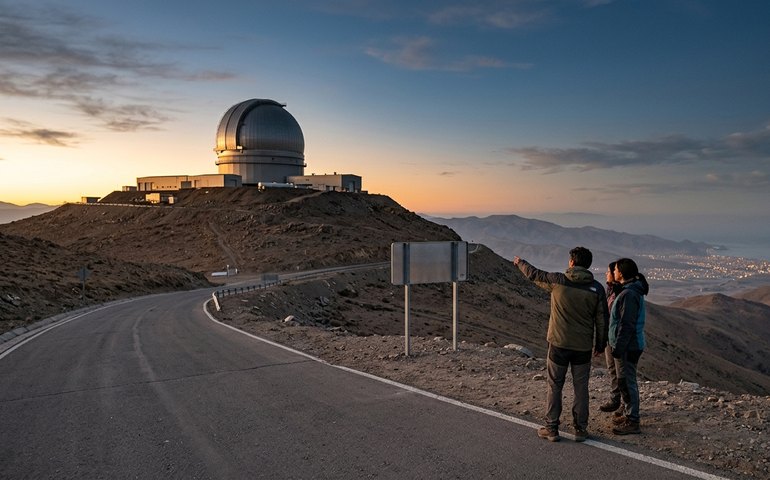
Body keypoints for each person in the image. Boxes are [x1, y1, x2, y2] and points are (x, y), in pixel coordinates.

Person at [513, 247, 608, 442]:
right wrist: (600, 344)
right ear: (588, 265)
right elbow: (602, 320)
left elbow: (534, 274)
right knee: (581, 387)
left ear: (572, 262)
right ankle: (580, 429)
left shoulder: (559, 281)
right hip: (582, 347)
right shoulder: (597, 288)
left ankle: (552, 428)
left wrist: (520, 262)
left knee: (555, 385)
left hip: (559, 344)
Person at [608, 258, 648, 435]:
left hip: (628, 346)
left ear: (621, 273)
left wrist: (618, 347)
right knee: (625, 381)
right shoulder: (628, 291)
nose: (614, 272)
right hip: (629, 344)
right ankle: (629, 414)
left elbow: (627, 324)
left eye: (615, 269)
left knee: (627, 381)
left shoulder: (629, 295)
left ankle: (633, 421)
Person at [599, 262, 623, 413]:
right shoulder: (610, 290)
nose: (606, 273)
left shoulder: (621, 293)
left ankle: (625, 406)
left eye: (609, 271)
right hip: (609, 337)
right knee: (612, 369)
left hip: (618, 339)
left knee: (622, 372)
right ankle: (615, 399)